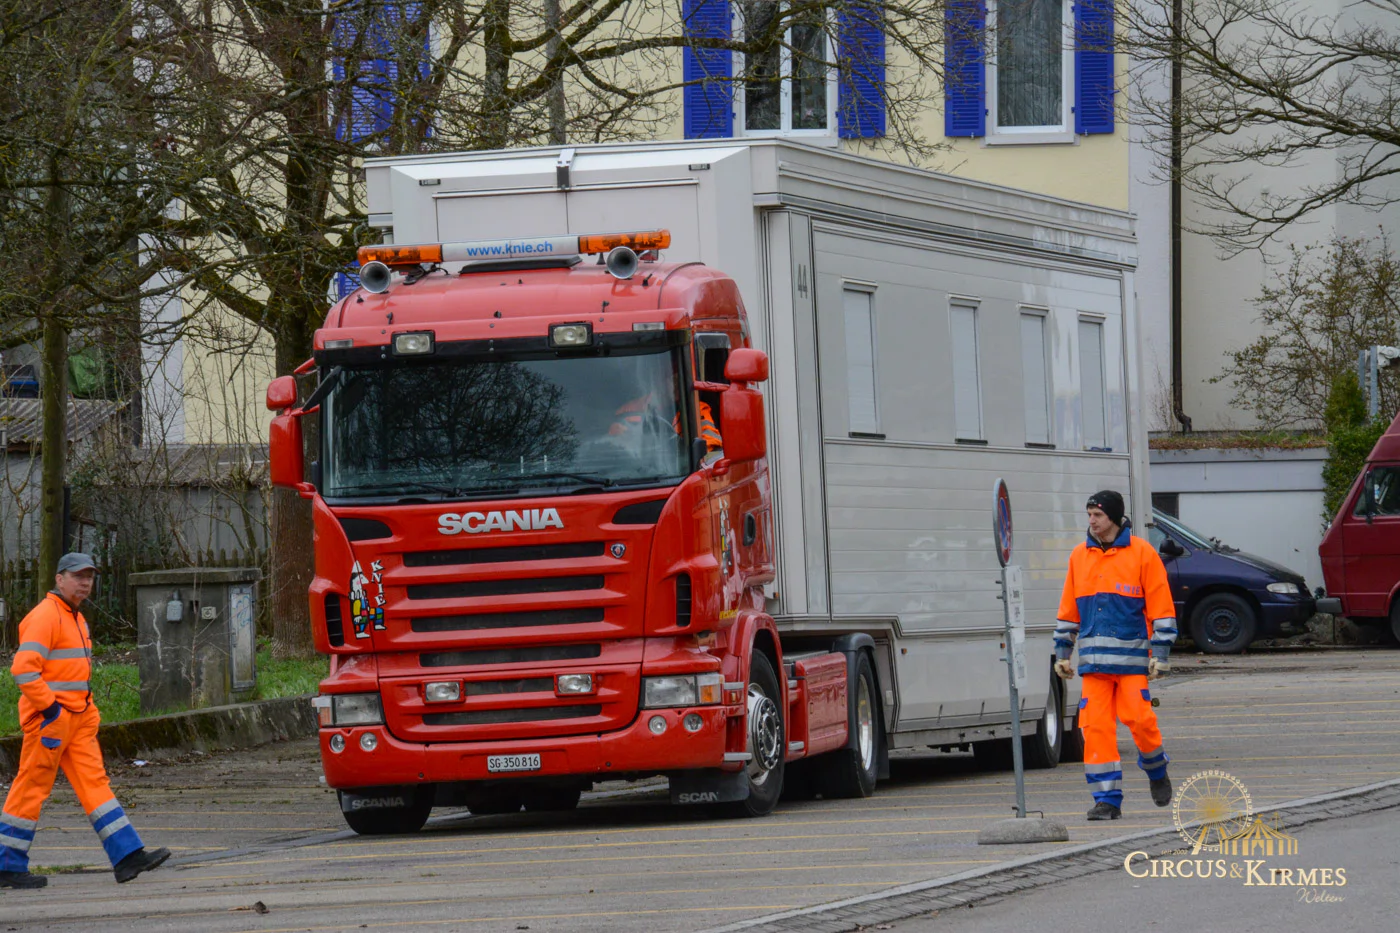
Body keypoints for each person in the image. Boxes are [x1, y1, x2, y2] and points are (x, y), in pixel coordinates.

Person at [0, 553, 170, 889]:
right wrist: (52, 711)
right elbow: (22, 669)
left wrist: (80, 711)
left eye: (89, 576)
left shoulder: (73, 616)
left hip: (75, 719)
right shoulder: (46, 615)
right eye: (78, 576)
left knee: (95, 784)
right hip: (52, 720)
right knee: (31, 788)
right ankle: (6, 865)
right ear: (59, 579)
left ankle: (127, 856)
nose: (85, 582)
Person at [1054, 491, 1178, 821]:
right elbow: (1068, 610)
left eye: (1097, 515)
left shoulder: (1142, 553)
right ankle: (1107, 799)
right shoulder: (1079, 556)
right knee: (1094, 729)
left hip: (1132, 663)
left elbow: (1161, 607)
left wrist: (1160, 653)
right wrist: (1062, 652)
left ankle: (1156, 770)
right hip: (1094, 665)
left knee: (1140, 719)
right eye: (1089, 515)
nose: (1091, 521)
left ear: (1115, 517)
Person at [610, 379, 722, 452]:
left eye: (678, 377)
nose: (677, 383)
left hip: (679, 470)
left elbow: (710, 440)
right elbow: (613, 445)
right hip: (637, 470)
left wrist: (683, 453)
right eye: (671, 378)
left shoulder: (696, 409)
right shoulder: (629, 409)